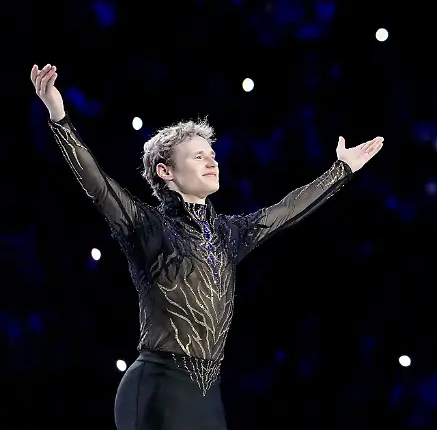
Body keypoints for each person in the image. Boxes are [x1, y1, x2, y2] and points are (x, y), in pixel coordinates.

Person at [29, 64, 384, 429]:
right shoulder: (148, 227)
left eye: (212, 154)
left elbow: (287, 211)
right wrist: (59, 116)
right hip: (156, 387)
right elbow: (98, 184)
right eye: (198, 156)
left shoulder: (229, 234)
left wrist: (341, 170)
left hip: (206, 394)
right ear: (166, 172)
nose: (211, 160)